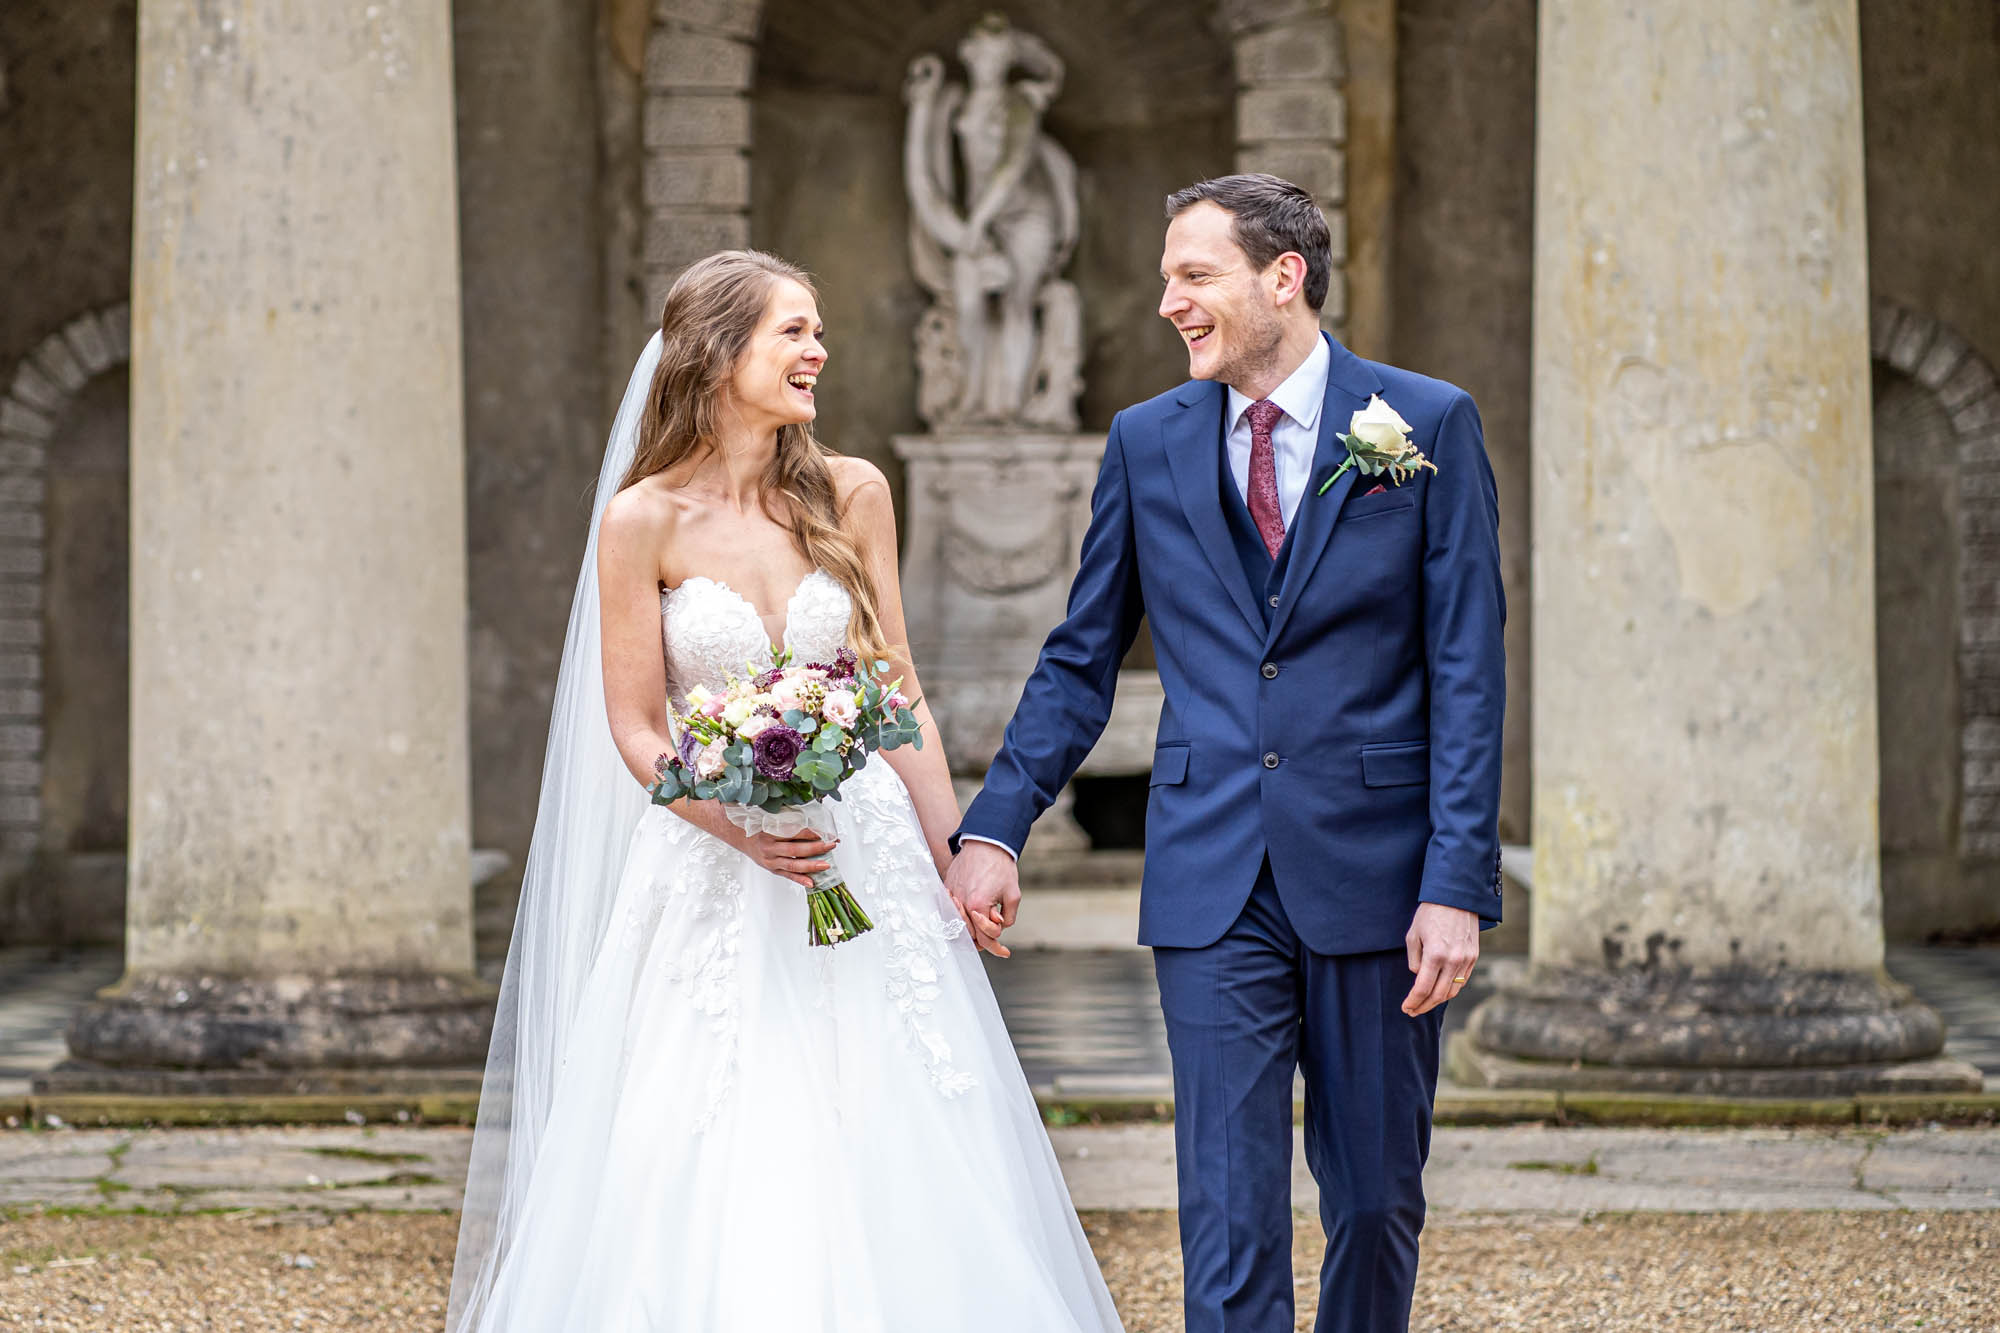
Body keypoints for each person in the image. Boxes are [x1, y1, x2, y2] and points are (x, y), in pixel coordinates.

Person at [446, 250, 1123, 1333]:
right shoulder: (641, 521)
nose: (819, 351)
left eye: (817, 330)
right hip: (715, 866)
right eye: (793, 332)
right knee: (716, 1122)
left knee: (895, 1106)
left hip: (864, 851)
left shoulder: (854, 491)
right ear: (720, 353)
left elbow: (893, 684)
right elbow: (636, 725)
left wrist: (959, 850)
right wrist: (733, 825)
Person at [947, 174, 1506, 1333]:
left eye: (1193, 276)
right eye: (1167, 278)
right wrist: (996, 823)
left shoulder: (1424, 423)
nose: (1167, 302)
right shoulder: (1144, 441)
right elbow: (1079, 656)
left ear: (1282, 277)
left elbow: (1466, 668)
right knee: (1225, 1214)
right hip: (1209, 879)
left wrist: (1455, 881)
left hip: (1378, 875)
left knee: (1373, 1202)